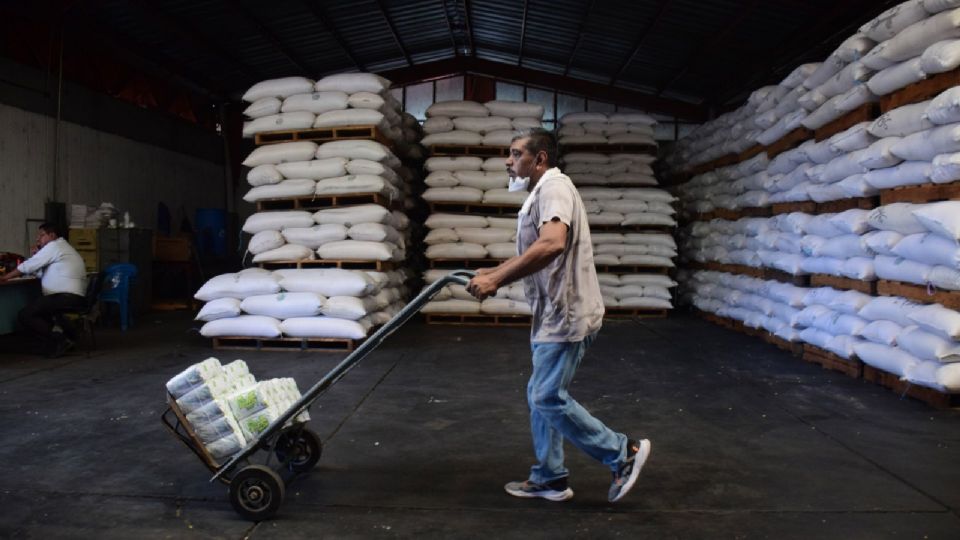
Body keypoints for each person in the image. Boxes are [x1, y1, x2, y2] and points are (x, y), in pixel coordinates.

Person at [466, 128, 651, 503]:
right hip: (552, 313)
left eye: (515, 153)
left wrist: (497, 279)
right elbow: (536, 247)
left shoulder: (554, 187)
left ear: (540, 159)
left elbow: (552, 243)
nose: (508, 160)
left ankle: (622, 452)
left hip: (568, 314)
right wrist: (492, 274)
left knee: (547, 395)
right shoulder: (540, 192)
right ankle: (550, 477)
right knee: (539, 394)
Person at [0, 223, 87, 357]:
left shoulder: (54, 246)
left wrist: (5, 277)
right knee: (44, 312)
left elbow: (27, 266)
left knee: (26, 314)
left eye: (41, 235)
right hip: (71, 296)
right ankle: (68, 337)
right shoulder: (61, 247)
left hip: (65, 296)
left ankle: (60, 339)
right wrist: (38, 255)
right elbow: (40, 273)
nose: (37, 239)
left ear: (52, 235)